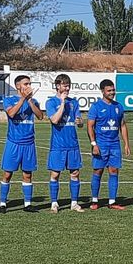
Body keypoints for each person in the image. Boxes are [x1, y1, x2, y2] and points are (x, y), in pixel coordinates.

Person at [0, 75, 43, 213]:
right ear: (18, 86)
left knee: (27, 174)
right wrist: (23, 99)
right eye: (26, 84)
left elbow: (40, 116)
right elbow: (11, 114)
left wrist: (29, 100)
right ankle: (2, 203)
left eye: (29, 83)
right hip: (14, 142)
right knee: (7, 174)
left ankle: (27, 204)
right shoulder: (9, 99)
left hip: (29, 143)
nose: (29, 86)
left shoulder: (33, 101)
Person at [87, 79, 131, 211]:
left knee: (114, 171)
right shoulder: (96, 107)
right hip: (101, 145)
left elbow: (122, 125)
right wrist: (94, 144)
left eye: (113, 90)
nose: (112, 92)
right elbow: (90, 126)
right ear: (103, 91)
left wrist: (126, 144)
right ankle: (95, 200)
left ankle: (112, 201)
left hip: (115, 145)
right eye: (109, 90)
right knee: (98, 171)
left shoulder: (118, 106)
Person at [46, 74, 84, 213]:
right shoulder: (51, 102)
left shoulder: (74, 102)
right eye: (64, 86)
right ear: (58, 86)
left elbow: (79, 122)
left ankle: (74, 203)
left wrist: (80, 122)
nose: (67, 88)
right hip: (58, 145)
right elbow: (55, 120)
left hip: (72, 144)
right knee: (55, 174)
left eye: (68, 86)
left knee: (75, 173)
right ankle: (54, 203)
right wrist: (62, 103)